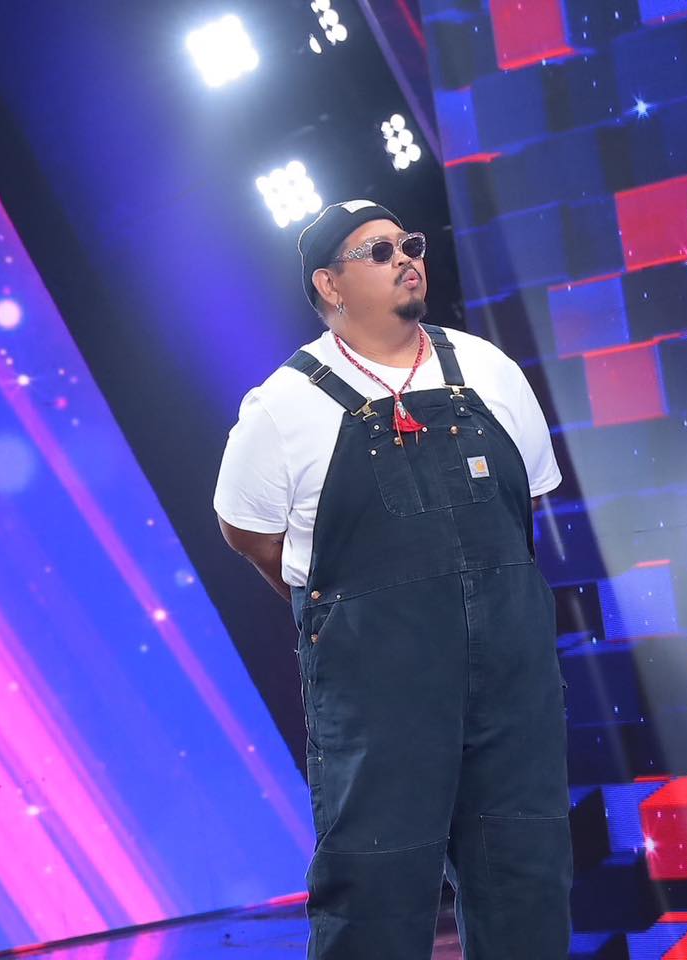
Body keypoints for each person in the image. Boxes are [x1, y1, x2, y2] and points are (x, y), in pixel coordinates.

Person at [213, 200, 571, 960]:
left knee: (526, 878)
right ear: (330, 285)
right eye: (379, 251)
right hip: (380, 695)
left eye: (409, 243)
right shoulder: (283, 406)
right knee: (376, 893)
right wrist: (348, 613)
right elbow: (247, 531)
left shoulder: (490, 370)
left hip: (511, 681)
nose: (407, 257)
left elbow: (526, 505)